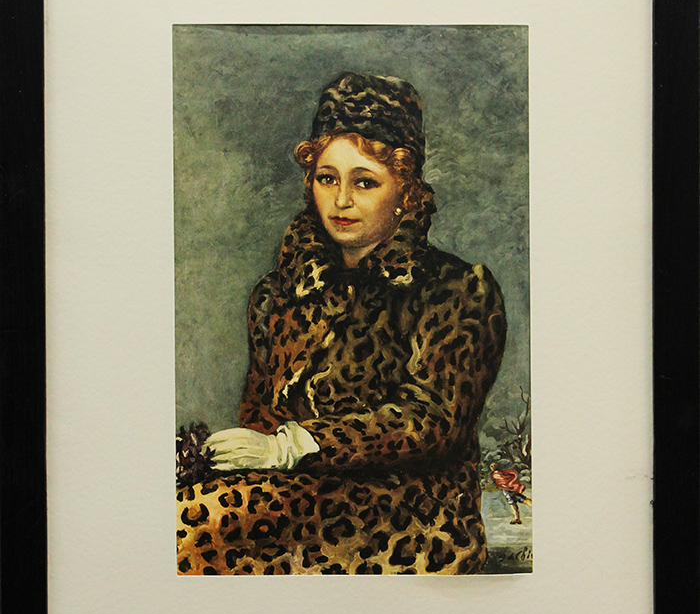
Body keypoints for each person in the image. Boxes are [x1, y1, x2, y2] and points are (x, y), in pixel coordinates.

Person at [176, 72, 507, 575]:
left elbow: (431, 422)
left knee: (193, 530)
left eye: (365, 182)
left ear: (406, 190)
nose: (341, 200)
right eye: (327, 178)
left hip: (408, 513)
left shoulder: (457, 289)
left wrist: (293, 446)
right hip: (289, 499)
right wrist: (244, 453)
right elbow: (260, 412)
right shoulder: (278, 292)